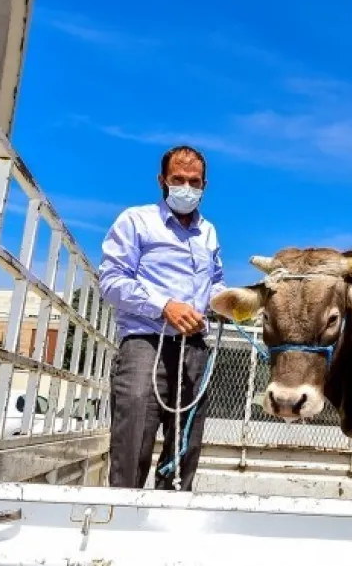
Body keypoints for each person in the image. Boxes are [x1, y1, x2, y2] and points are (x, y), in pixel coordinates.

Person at [98, 145, 226, 490]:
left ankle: (173, 511)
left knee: (186, 442)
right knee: (133, 437)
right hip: (145, 343)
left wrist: (231, 302)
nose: (187, 187)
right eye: (178, 179)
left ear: (204, 185)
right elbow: (111, 281)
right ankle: (122, 514)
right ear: (162, 181)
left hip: (194, 348)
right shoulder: (136, 220)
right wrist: (164, 305)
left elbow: (214, 283)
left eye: (194, 181)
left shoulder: (209, 233)